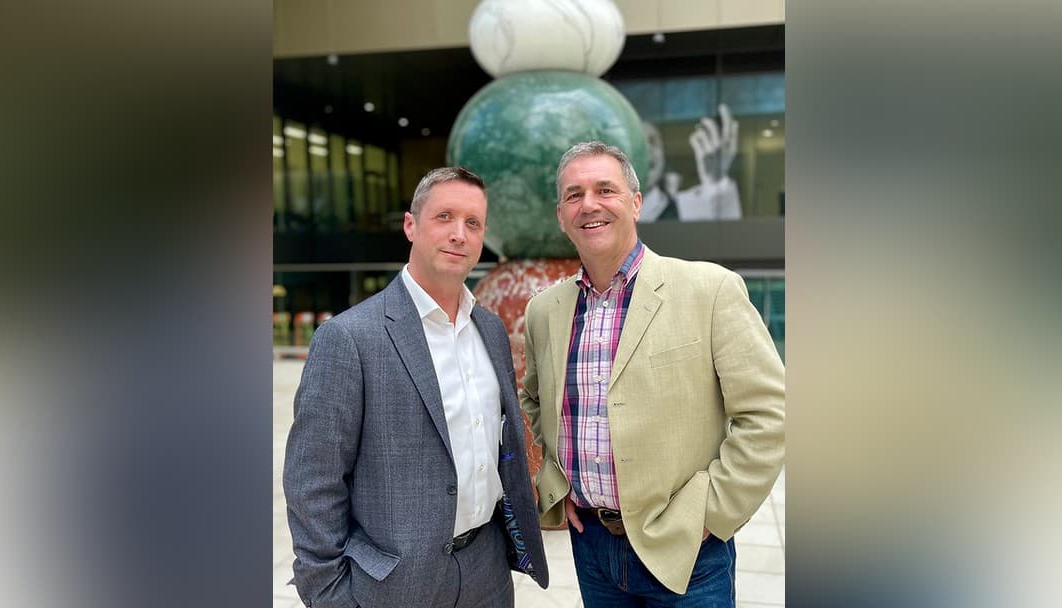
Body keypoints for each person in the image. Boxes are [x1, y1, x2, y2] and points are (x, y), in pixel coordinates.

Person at [519, 141, 784, 606]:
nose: (589, 204)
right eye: (574, 195)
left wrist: (712, 513)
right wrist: (557, 483)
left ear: (636, 202)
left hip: (687, 551)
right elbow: (535, 400)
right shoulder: (544, 311)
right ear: (561, 215)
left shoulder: (710, 290)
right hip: (592, 548)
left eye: (606, 190)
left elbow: (769, 414)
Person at [284, 167, 549, 608]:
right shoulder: (349, 338)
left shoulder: (490, 330)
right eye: (444, 217)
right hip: (393, 584)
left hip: (488, 572)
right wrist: (328, 594)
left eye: (473, 223)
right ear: (411, 225)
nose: (459, 234)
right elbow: (313, 480)